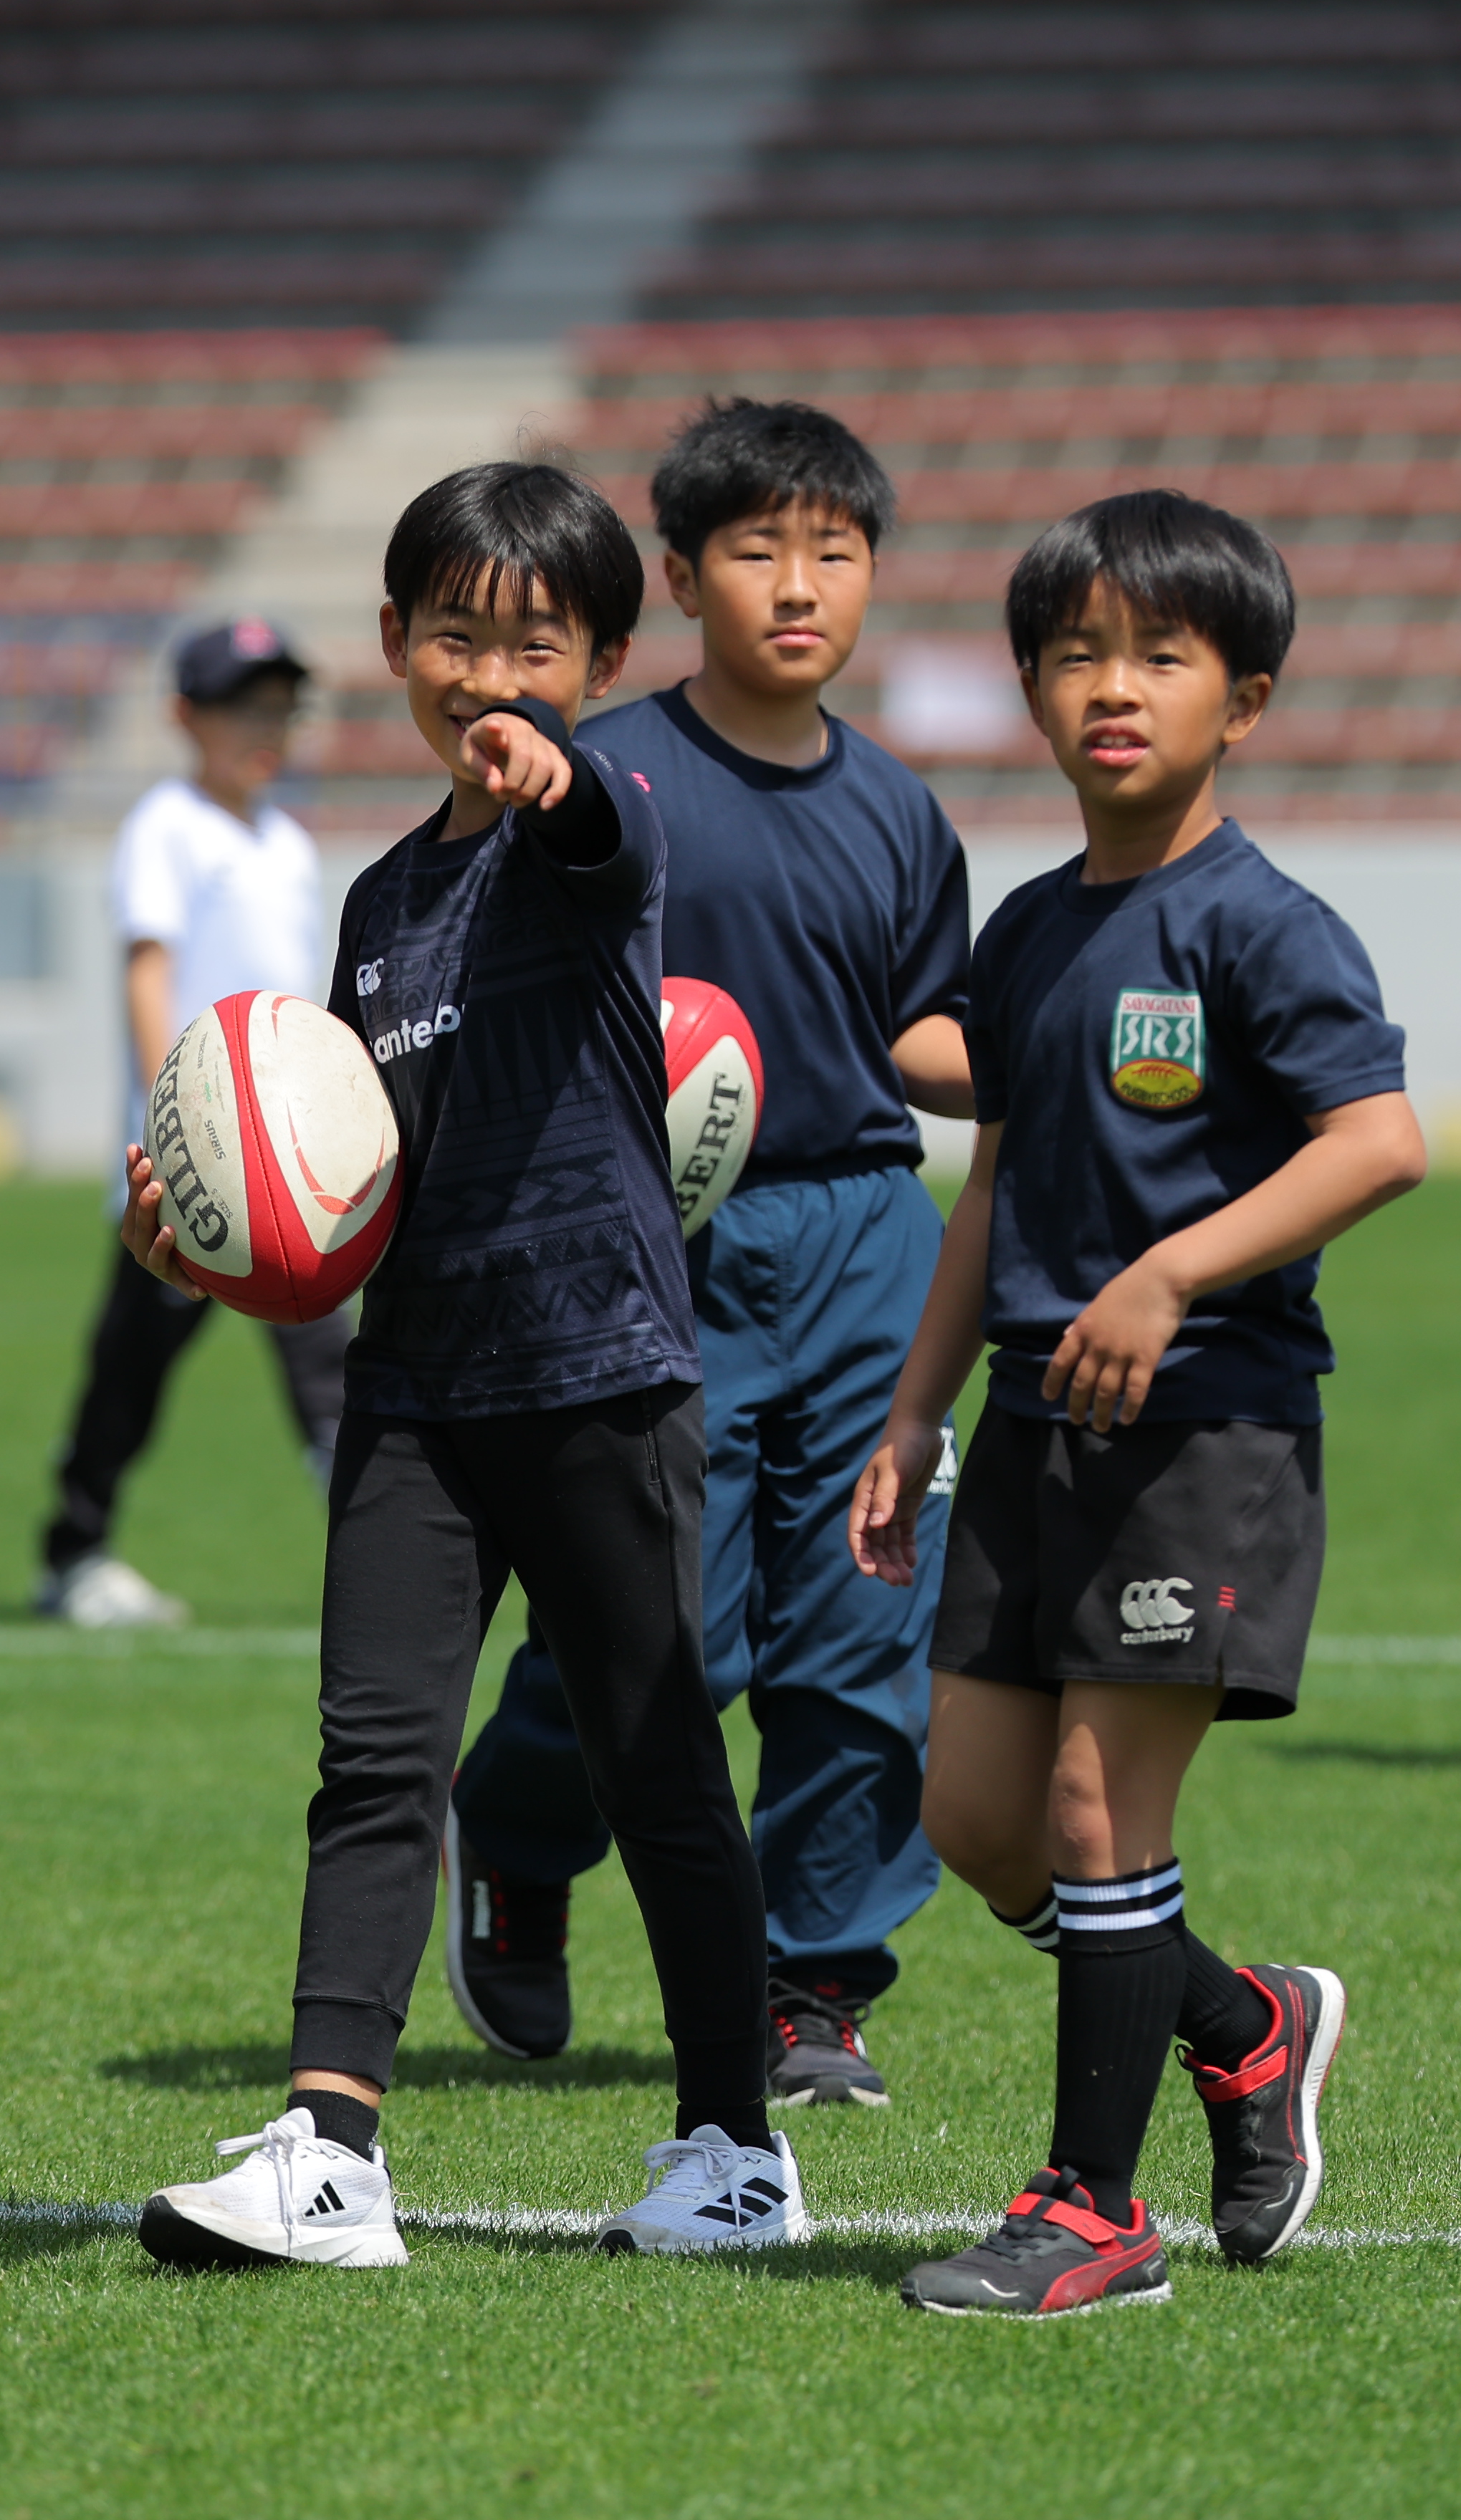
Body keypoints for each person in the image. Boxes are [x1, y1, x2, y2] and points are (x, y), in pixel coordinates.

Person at [124, 463, 802, 2270]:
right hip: (417, 1388)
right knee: (372, 1764)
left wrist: (556, 779)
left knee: (658, 1765)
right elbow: (345, 1174)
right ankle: (329, 2146)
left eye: (535, 645)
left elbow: (601, 837)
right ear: (393, 647)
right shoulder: (376, 904)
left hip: (599, 1370)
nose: (489, 674)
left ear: (598, 665)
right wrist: (199, 1220)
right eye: (455, 634)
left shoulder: (611, 825)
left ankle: (735, 2146)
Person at [848, 491, 1424, 2319]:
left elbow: (1381, 1140)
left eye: (1159, 657)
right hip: (1028, 1424)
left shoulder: (1265, 925)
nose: (1114, 688)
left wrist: (1175, 1272)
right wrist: (914, 1411)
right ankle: (1248, 2020)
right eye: (1077, 654)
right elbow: (1000, 1189)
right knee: (977, 1817)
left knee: (1102, 1807)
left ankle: (1093, 2208)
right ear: (1028, 686)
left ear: (1241, 699)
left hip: (1206, 1427)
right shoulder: (1027, 935)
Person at [438, 398, 974, 2109]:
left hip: (871, 1236)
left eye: (836, 549)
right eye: (758, 548)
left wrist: (1059, 1048)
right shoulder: (613, 781)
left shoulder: (902, 809)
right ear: (678, 576)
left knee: (864, 1636)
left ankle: (813, 1983)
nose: (800, 583)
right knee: (663, 1633)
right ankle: (518, 1829)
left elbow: (930, 1029)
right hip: (659, 1245)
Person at [33, 618, 340, 1629]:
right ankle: (74, 1554)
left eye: (282, 707)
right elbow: (149, 972)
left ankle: (382, 1548)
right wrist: (173, 1129)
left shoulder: (288, 845)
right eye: (244, 707)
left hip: (284, 1166)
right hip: (190, 1167)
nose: (268, 727)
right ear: (183, 718)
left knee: (326, 1361)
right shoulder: (168, 827)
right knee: (133, 1362)